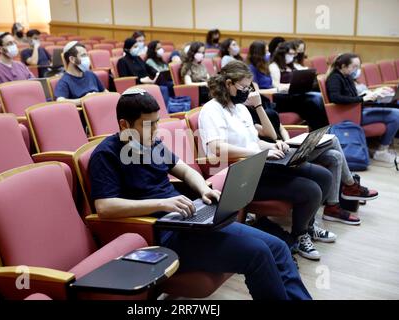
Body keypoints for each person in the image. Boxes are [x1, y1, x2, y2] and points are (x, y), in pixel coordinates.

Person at [88, 86, 312, 300]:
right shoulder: (105, 155)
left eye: (157, 123)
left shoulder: (152, 144)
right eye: (149, 125)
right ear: (124, 124)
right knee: (258, 253)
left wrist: (204, 189)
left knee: (278, 247)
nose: (156, 132)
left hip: (188, 219)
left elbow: (185, 171)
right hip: (163, 233)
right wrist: (163, 204)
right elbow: (105, 207)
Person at [198, 60, 336, 261]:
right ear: (228, 84)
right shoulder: (211, 110)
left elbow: (255, 141)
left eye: (249, 87)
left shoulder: (240, 108)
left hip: (262, 164)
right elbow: (216, 148)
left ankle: (309, 226)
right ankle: (300, 236)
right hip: (241, 174)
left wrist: (273, 146)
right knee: (311, 189)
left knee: (323, 176)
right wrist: (260, 154)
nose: (247, 92)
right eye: (244, 87)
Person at [248, 99, 379, 225]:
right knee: (332, 140)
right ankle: (350, 185)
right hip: (276, 156)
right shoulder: (247, 112)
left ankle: (332, 208)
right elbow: (270, 135)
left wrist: (286, 141)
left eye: (250, 87)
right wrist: (258, 106)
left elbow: (281, 128)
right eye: (245, 87)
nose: (250, 91)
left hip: (286, 147)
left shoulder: (262, 103)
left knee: (335, 156)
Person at [326, 53, 399, 165]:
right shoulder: (334, 78)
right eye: (354, 66)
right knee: (395, 115)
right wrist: (363, 98)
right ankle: (381, 151)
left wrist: (371, 94)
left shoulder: (347, 76)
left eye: (358, 66)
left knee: (395, 114)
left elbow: (353, 96)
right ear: (343, 66)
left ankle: (381, 148)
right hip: (348, 115)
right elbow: (336, 98)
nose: (357, 70)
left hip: (356, 110)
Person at [269, 41, 329, 130]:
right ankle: (319, 129)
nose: (292, 57)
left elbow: (304, 71)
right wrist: (290, 85)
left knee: (319, 97)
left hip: (297, 94)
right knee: (312, 101)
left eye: (294, 54)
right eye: (290, 54)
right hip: (282, 96)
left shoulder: (292, 65)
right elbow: (275, 84)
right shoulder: (274, 66)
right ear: (282, 53)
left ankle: (325, 127)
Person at [54, 41, 106, 106]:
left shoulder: (91, 74)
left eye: (87, 55)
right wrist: (83, 100)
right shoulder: (64, 81)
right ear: (72, 59)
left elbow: (105, 92)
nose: (87, 59)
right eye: (83, 55)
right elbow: (60, 101)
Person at [0, 32, 33, 96]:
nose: (14, 45)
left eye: (14, 42)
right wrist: (5, 92)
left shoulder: (20, 64)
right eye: (10, 43)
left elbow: (33, 81)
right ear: (0, 49)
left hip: (27, 96)